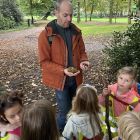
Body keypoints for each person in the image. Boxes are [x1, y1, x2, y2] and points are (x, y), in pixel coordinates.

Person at [38, 0, 89, 132]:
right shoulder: (46, 35)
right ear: (56, 12)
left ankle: (74, 131)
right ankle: (61, 132)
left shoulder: (76, 32)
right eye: (65, 15)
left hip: (76, 79)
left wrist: (83, 60)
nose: (69, 19)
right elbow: (44, 62)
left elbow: (82, 51)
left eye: (71, 15)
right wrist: (63, 70)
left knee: (76, 108)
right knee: (65, 111)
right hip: (60, 81)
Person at [99, 66, 140, 138]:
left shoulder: (134, 100)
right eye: (121, 78)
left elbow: (135, 120)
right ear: (117, 77)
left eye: (126, 80)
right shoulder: (110, 89)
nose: (122, 82)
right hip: (108, 122)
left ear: (132, 83)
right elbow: (100, 103)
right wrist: (103, 95)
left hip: (122, 127)